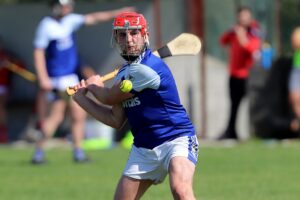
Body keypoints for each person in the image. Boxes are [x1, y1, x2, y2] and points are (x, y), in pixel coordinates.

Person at [72, 12, 199, 199]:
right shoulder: (123, 74)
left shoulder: (147, 69)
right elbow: (114, 120)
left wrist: (93, 85)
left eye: (134, 33)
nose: (129, 40)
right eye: (123, 35)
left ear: (144, 35)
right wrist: (81, 98)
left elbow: (108, 98)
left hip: (176, 139)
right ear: (116, 39)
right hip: (144, 148)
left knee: (180, 190)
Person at [31, 0, 135, 164]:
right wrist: (43, 77)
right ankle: (39, 151)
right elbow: (38, 53)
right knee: (56, 117)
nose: (67, 8)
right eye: (64, 5)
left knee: (78, 115)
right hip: (56, 80)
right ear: (55, 6)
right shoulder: (46, 25)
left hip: (71, 78)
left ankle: (78, 152)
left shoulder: (70, 20)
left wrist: (119, 13)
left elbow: (94, 18)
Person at [218, 6, 261, 140]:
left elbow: (251, 49)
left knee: (253, 105)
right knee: (234, 105)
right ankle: (231, 132)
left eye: (246, 17)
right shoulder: (234, 32)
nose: (244, 20)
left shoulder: (254, 32)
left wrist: (242, 36)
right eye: (241, 17)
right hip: (234, 75)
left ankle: (256, 131)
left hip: (247, 76)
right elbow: (223, 41)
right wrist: (232, 32)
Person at [0, 36, 27, 143]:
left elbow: (21, 66)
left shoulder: (6, 56)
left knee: (0, 109)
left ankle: (2, 134)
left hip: (2, 87)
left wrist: (7, 63)